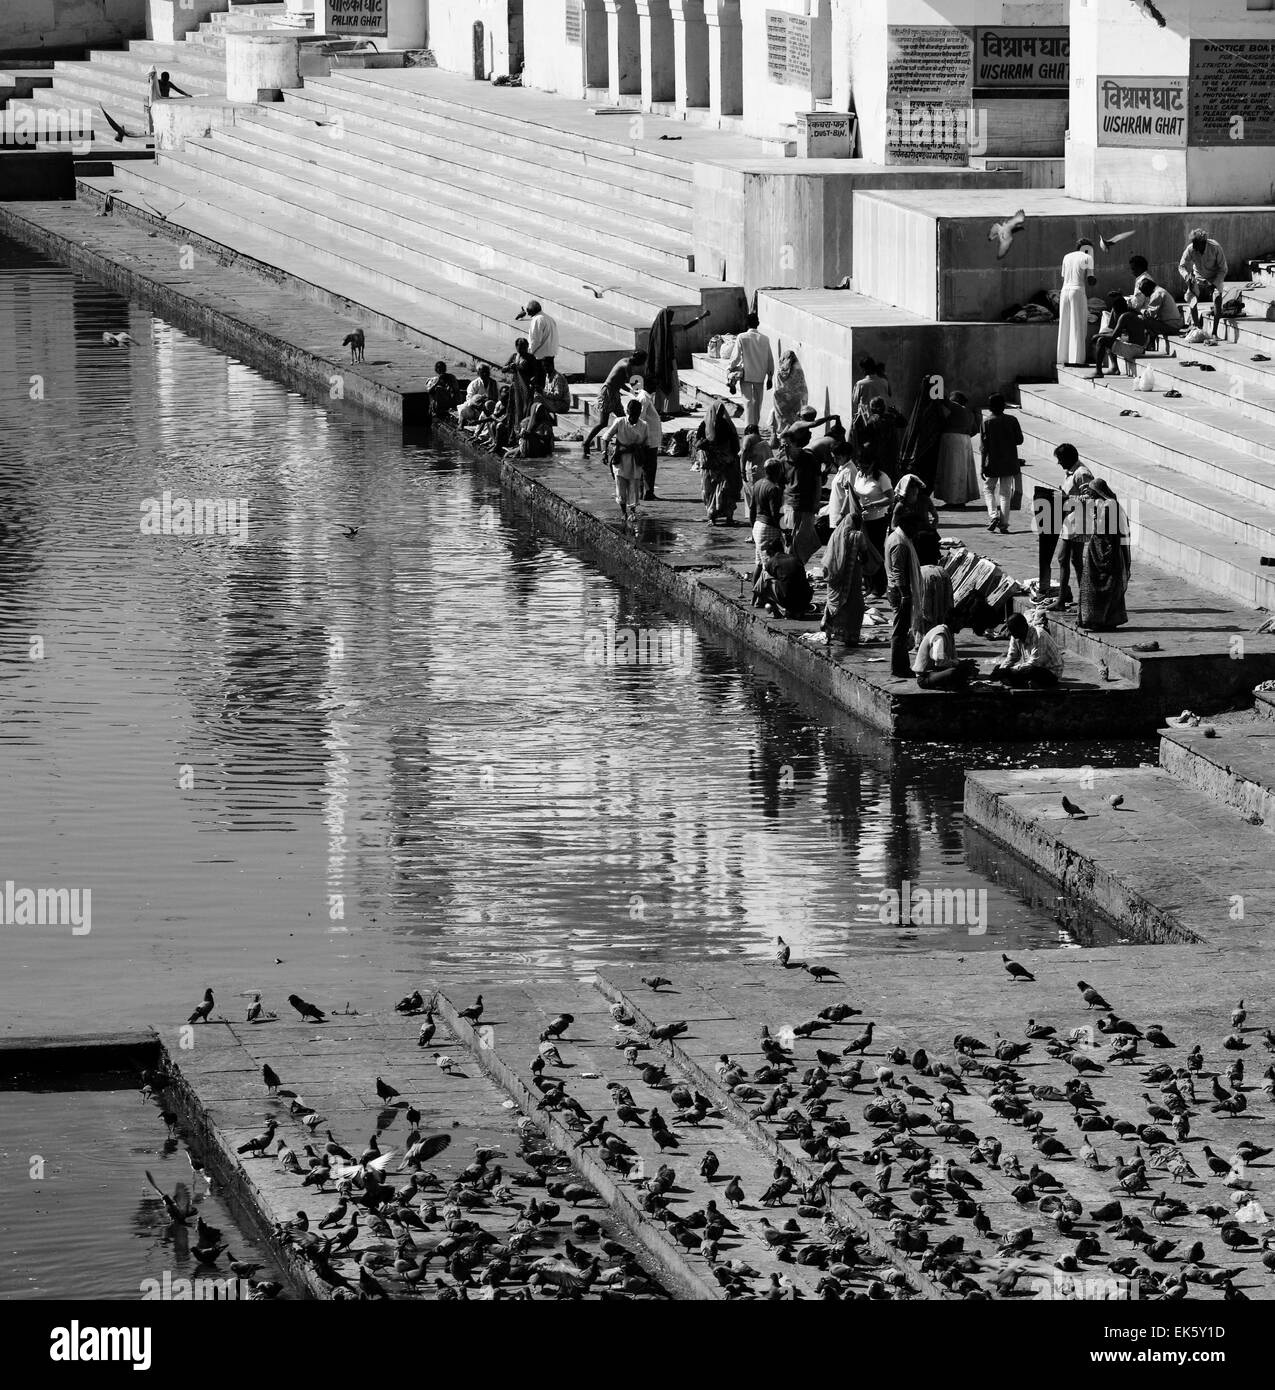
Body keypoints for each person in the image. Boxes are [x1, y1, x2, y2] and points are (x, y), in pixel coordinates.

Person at [820, 508, 883, 648]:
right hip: (852, 574)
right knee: (855, 606)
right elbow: (865, 556)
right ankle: (851, 637)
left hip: (835, 577)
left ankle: (831, 633)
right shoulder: (858, 536)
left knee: (836, 604)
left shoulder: (836, 535)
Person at [1078, 478, 1131, 631]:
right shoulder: (1107, 504)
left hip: (1104, 552)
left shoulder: (1108, 507)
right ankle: (1104, 619)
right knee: (1105, 587)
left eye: (1093, 493)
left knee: (1100, 587)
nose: (1091, 496)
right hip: (1100, 551)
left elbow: (1102, 531)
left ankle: (1098, 619)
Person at [583, 351, 647, 455]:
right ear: (638, 359)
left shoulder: (625, 362)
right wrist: (642, 390)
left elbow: (620, 382)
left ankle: (623, 444)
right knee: (603, 423)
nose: (642, 364)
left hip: (615, 393)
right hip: (607, 393)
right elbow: (633, 382)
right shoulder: (626, 365)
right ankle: (586, 443)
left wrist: (632, 392)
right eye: (643, 362)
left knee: (623, 418)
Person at [1053, 442, 1093, 608]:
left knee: (1064, 558)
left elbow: (1090, 497)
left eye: (1060, 459)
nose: (1059, 463)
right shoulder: (1071, 472)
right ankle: (1083, 596)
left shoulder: (1082, 473)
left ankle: (1066, 599)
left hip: (1080, 521)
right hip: (1070, 520)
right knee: (1074, 560)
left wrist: (1068, 500)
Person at [849, 452, 893, 597]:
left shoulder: (881, 477)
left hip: (877, 519)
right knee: (863, 552)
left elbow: (890, 498)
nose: (862, 470)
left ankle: (879, 587)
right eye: (860, 467)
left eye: (865, 467)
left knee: (876, 553)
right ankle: (868, 585)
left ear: (872, 464)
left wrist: (872, 505)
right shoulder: (860, 475)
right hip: (862, 519)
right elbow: (856, 493)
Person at [886, 513, 923, 678]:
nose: (916, 532)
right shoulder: (900, 543)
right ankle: (899, 668)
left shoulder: (897, 537)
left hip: (898, 590)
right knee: (899, 632)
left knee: (902, 630)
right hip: (899, 592)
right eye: (914, 528)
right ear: (907, 526)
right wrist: (905, 596)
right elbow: (898, 572)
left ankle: (902, 666)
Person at [979, 392, 1023, 534]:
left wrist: (981, 466)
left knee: (988, 489)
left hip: (992, 462)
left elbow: (983, 447)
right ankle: (1004, 524)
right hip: (1010, 462)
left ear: (990, 407)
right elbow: (1019, 440)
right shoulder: (1012, 420)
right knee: (1005, 493)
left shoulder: (986, 422)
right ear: (1004, 406)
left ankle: (993, 516)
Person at [779, 421, 822, 564]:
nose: (784, 448)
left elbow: (817, 481)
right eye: (782, 445)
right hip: (789, 506)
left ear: (794, 444)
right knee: (790, 541)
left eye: (787, 445)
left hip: (806, 505)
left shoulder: (808, 458)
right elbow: (780, 484)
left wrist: (816, 501)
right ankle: (795, 566)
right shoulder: (783, 461)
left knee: (806, 540)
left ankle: (798, 565)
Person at [694, 401, 742, 525]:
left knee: (724, 491)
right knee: (716, 491)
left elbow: (734, 444)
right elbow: (735, 446)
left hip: (720, 466)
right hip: (715, 466)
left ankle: (720, 517)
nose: (720, 413)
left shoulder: (722, 425)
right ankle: (715, 517)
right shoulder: (708, 425)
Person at [603, 398, 648, 529]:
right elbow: (606, 437)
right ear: (627, 412)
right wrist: (605, 453)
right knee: (620, 485)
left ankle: (633, 512)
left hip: (635, 459)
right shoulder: (619, 422)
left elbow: (645, 444)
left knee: (634, 485)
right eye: (631, 414)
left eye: (636, 414)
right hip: (620, 458)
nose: (633, 417)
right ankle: (623, 512)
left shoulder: (644, 425)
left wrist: (640, 452)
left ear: (640, 413)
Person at [898, 375, 947, 491]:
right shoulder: (935, 405)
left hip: (923, 445)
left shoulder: (921, 405)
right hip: (932, 444)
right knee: (929, 470)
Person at [932, 390, 980, 508]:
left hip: (953, 441)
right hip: (965, 441)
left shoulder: (957, 407)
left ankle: (953, 501)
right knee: (962, 472)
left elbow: (943, 400)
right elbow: (974, 430)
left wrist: (933, 386)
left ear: (956, 400)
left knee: (952, 471)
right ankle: (961, 499)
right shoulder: (969, 412)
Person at [728, 312, 775, 430]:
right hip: (760, 375)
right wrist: (770, 377)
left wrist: (729, 369)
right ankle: (755, 427)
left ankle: (749, 428)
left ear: (747, 324)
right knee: (757, 403)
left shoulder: (742, 337)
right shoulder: (765, 339)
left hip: (747, 375)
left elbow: (736, 357)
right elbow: (770, 359)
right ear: (758, 323)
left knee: (748, 402)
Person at [992, 612, 1064, 687]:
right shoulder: (1015, 635)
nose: (1011, 634)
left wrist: (1009, 671)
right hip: (1032, 669)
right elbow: (1011, 657)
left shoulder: (1039, 635)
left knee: (1029, 670)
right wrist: (1002, 670)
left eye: (1013, 631)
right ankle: (1026, 683)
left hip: (1050, 673)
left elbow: (1034, 663)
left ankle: (1024, 683)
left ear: (1022, 627)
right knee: (999, 668)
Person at [1179, 228, 1227, 338]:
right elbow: (1181, 266)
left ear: (1203, 242)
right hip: (1198, 276)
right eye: (1193, 243)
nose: (1194, 246)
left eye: (1196, 243)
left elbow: (1223, 269)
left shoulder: (1215, 248)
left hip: (1214, 277)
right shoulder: (1190, 249)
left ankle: (1214, 332)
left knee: (1217, 299)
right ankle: (1196, 327)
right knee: (1191, 296)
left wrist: (1214, 284)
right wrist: (1187, 277)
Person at [1057, 238, 1097, 366]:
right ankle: (1077, 360)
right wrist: (1094, 278)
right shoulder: (1087, 257)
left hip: (1064, 291)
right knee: (1078, 325)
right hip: (1077, 291)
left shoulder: (1066, 257)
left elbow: (1063, 276)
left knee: (1065, 325)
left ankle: (1062, 359)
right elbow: (1090, 280)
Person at [1091, 290, 1148, 378]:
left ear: (1117, 311)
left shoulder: (1124, 317)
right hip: (1138, 347)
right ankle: (1114, 368)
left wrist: (1097, 336)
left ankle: (1098, 371)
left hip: (1134, 349)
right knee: (1107, 337)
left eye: (1113, 312)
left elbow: (1113, 337)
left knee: (1101, 341)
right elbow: (1113, 330)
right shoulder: (1131, 314)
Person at [754, 538, 813, 619]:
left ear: (771, 552)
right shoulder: (795, 558)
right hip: (806, 599)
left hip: (787, 600)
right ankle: (795, 610)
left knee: (765, 577)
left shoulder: (772, 561)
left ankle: (766, 605)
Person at [749, 457, 785, 589]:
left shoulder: (758, 484)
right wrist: (784, 529)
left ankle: (756, 595)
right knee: (770, 565)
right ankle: (764, 596)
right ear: (778, 471)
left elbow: (752, 508)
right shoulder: (773, 488)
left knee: (759, 563)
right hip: (768, 527)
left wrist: (752, 528)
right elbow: (775, 513)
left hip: (758, 525)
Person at [629, 377, 664, 500]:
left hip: (650, 438)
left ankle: (644, 492)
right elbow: (641, 418)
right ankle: (647, 493)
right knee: (649, 467)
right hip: (648, 439)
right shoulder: (644, 398)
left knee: (646, 467)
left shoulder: (647, 397)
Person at [854, 395, 902, 483]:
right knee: (892, 478)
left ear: (875, 408)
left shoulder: (873, 420)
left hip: (879, 457)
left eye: (871, 406)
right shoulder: (891, 418)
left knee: (880, 480)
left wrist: (857, 425)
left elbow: (866, 439)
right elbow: (903, 423)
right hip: (892, 454)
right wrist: (896, 413)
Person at [914, 528, 954, 633]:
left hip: (923, 574)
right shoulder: (929, 535)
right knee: (943, 610)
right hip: (940, 572)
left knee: (924, 612)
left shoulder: (916, 538)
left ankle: (924, 641)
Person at [1129, 275, 1183, 351]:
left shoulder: (1157, 294)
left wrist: (1139, 309)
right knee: (1149, 321)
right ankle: (1150, 343)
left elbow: (1149, 314)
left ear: (1148, 289)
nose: (1145, 295)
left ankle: (1139, 345)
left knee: (1141, 319)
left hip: (1172, 326)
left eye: (1144, 292)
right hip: (1173, 323)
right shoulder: (1160, 291)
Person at [912, 623, 972, 690]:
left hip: (937, 671)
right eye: (960, 622)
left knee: (965, 669)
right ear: (954, 620)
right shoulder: (940, 634)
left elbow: (953, 658)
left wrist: (963, 664)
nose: (962, 626)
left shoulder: (949, 634)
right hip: (925, 677)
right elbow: (939, 661)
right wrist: (958, 663)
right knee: (953, 672)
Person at [767, 350, 809, 446]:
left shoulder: (780, 371)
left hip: (781, 402)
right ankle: (789, 441)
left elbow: (777, 388)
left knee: (780, 420)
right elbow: (801, 386)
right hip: (796, 402)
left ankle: (780, 440)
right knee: (793, 422)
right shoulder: (798, 370)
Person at [503, 338, 543, 428]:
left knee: (525, 408)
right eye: (520, 347)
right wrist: (510, 366)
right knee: (516, 408)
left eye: (524, 347)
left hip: (526, 388)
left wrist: (533, 379)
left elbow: (536, 373)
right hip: (516, 387)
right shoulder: (514, 357)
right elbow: (503, 369)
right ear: (516, 347)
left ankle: (524, 427)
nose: (522, 349)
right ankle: (515, 429)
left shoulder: (531, 358)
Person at [517, 299, 559, 380]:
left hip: (540, 357)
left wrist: (529, 353)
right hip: (551, 354)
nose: (527, 313)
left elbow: (535, 340)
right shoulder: (548, 318)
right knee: (550, 379)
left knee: (540, 381)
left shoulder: (537, 320)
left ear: (531, 310)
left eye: (528, 310)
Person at [516, 392, 556, 459]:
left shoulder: (545, 423)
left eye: (542, 411)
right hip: (529, 448)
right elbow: (519, 436)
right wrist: (521, 434)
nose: (541, 413)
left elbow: (547, 438)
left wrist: (533, 435)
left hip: (541, 449)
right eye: (539, 411)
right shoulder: (526, 422)